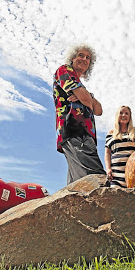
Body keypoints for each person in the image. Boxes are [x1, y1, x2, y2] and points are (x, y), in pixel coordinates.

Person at [53, 44, 106, 184]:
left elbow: (99, 110)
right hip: (75, 130)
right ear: (72, 58)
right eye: (81, 55)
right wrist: (86, 97)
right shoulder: (64, 70)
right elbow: (87, 100)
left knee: (77, 183)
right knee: (96, 179)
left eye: (88, 58)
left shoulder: (79, 84)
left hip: (81, 133)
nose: (84, 59)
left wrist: (87, 95)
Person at [105, 106, 135, 187]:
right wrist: (108, 169)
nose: (124, 115)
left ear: (130, 117)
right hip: (115, 174)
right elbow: (107, 153)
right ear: (117, 116)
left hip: (132, 173)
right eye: (121, 113)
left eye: (127, 113)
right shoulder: (110, 133)